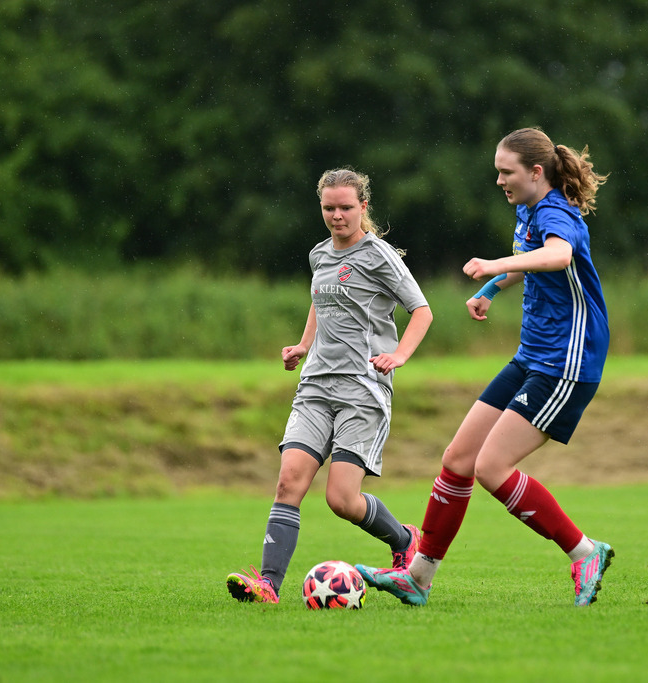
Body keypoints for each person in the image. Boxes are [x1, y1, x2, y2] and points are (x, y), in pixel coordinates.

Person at [356, 128, 613, 607]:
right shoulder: (529, 209)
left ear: (537, 172)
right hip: (534, 353)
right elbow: (528, 262)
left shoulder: (556, 209)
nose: (498, 180)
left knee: (491, 467)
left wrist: (492, 265)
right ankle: (418, 577)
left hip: (568, 361)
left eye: (506, 172)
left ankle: (584, 551)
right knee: (457, 460)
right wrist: (493, 290)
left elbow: (558, 256)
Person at [227, 168, 433, 604]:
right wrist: (304, 345)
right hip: (316, 386)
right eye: (329, 208)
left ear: (362, 207)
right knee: (289, 483)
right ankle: (268, 585)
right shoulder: (319, 254)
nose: (337, 215)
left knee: (341, 499)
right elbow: (321, 302)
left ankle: (403, 540)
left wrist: (399, 356)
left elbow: (422, 311)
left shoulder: (379, 255)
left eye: (345, 207)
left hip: (363, 389)